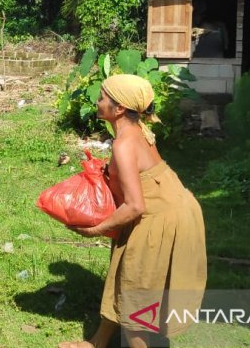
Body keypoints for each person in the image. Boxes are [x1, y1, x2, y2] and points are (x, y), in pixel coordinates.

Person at [59, 74, 207, 348]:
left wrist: (95, 230)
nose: (97, 101)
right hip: (176, 205)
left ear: (119, 109)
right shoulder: (137, 132)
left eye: (103, 97)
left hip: (159, 220)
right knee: (123, 278)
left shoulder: (123, 144)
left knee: (135, 309)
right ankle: (98, 343)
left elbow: (135, 205)